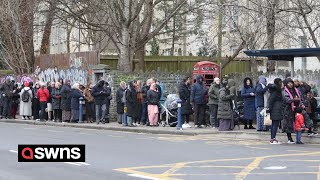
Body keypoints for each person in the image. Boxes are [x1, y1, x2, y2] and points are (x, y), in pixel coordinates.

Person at [283, 78, 302, 144]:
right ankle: (289, 138)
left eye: (291, 83)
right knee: (289, 124)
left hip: (297, 108)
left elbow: (300, 98)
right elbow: (287, 100)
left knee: (298, 124)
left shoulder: (295, 90)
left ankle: (298, 139)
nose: (290, 84)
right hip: (288, 109)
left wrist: (301, 103)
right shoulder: (285, 91)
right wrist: (294, 100)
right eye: (288, 83)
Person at [267, 78, 283, 144]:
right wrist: (269, 109)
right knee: (275, 124)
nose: (282, 83)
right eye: (280, 82)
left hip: (276, 109)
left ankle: (273, 138)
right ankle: (272, 139)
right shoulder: (276, 91)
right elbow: (271, 101)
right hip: (275, 109)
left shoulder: (276, 90)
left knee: (275, 124)